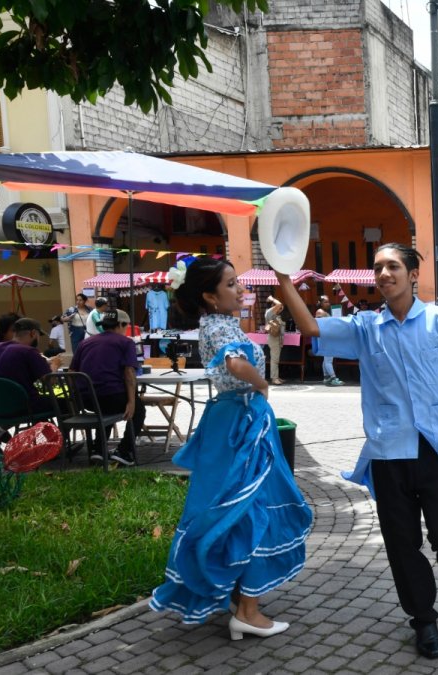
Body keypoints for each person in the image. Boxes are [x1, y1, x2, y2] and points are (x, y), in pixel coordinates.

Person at [277, 243, 438, 660]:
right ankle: (423, 618)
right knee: (401, 541)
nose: (384, 273)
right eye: (377, 268)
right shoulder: (365, 327)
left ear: (413, 275)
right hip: (388, 450)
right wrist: (284, 279)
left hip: (434, 448)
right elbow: (313, 330)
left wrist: (437, 403)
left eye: (393, 266)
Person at [149, 257, 312, 640]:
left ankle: (239, 599)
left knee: (236, 506)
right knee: (249, 507)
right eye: (231, 284)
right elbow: (236, 366)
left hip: (231, 422)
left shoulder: (216, 323)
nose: (240, 289)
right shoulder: (220, 326)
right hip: (241, 423)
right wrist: (262, 384)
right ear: (209, 295)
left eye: (238, 282)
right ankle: (248, 611)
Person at [70, 311, 145, 466]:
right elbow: (129, 372)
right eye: (126, 326)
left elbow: (72, 372)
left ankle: (98, 450)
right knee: (138, 410)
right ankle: (124, 451)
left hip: (86, 399)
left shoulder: (85, 343)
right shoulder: (126, 342)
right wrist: (132, 401)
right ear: (121, 325)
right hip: (111, 396)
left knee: (106, 408)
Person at [0, 318, 60, 414]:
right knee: (70, 403)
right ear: (33, 333)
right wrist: (55, 364)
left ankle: (1, 427)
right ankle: (52, 429)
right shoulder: (28, 351)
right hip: (22, 405)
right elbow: (50, 381)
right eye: (39, 336)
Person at [313, 296, 344, 386]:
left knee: (326, 359)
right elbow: (320, 324)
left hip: (326, 337)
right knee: (328, 360)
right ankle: (333, 378)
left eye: (328, 302)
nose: (328, 304)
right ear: (320, 303)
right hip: (326, 338)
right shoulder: (320, 312)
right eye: (326, 302)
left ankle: (326, 377)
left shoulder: (324, 312)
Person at [264, 295, 286, 386]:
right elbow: (279, 304)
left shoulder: (275, 315)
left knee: (276, 359)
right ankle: (274, 378)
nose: (281, 308)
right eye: (279, 307)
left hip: (277, 339)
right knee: (274, 359)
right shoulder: (270, 313)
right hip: (273, 339)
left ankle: (276, 376)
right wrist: (272, 298)